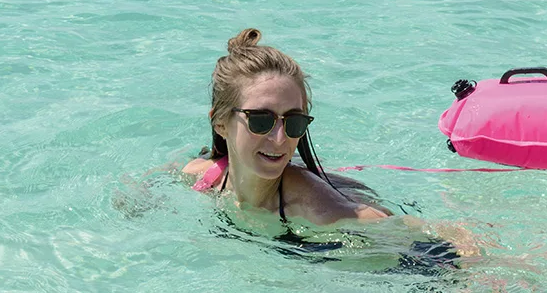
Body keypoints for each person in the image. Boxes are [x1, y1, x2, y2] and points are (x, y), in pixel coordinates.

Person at [182, 28, 480, 264]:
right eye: (261, 120)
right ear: (220, 123)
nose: (280, 138)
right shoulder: (203, 176)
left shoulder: (321, 209)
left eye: (294, 122)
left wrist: (472, 264)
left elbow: (431, 236)